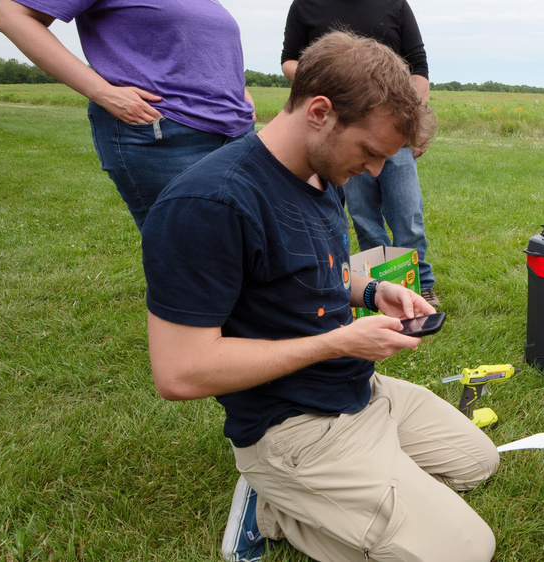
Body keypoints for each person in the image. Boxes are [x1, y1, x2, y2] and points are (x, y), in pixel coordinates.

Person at [141, 31, 497, 562]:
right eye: (370, 152)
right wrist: (337, 343)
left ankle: (358, 481)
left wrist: (373, 290)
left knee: (478, 463)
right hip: (291, 424)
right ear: (320, 112)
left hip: (358, 390)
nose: (375, 171)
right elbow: (179, 373)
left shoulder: (320, 172)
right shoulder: (209, 205)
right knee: (467, 551)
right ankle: (275, 507)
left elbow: (315, 271)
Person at [0, 0, 256, 232]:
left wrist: (240, 92)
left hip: (236, 132)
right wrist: (102, 92)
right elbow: (11, 15)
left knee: (248, 244)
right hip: (167, 130)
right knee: (194, 250)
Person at [280, 0, 440, 308]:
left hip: (394, 128)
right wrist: (338, 79)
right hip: (343, 129)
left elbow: (418, 66)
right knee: (364, 217)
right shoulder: (304, 5)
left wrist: (412, 125)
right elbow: (289, 60)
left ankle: (420, 282)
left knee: (407, 214)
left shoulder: (395, 5)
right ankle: (377, 284)